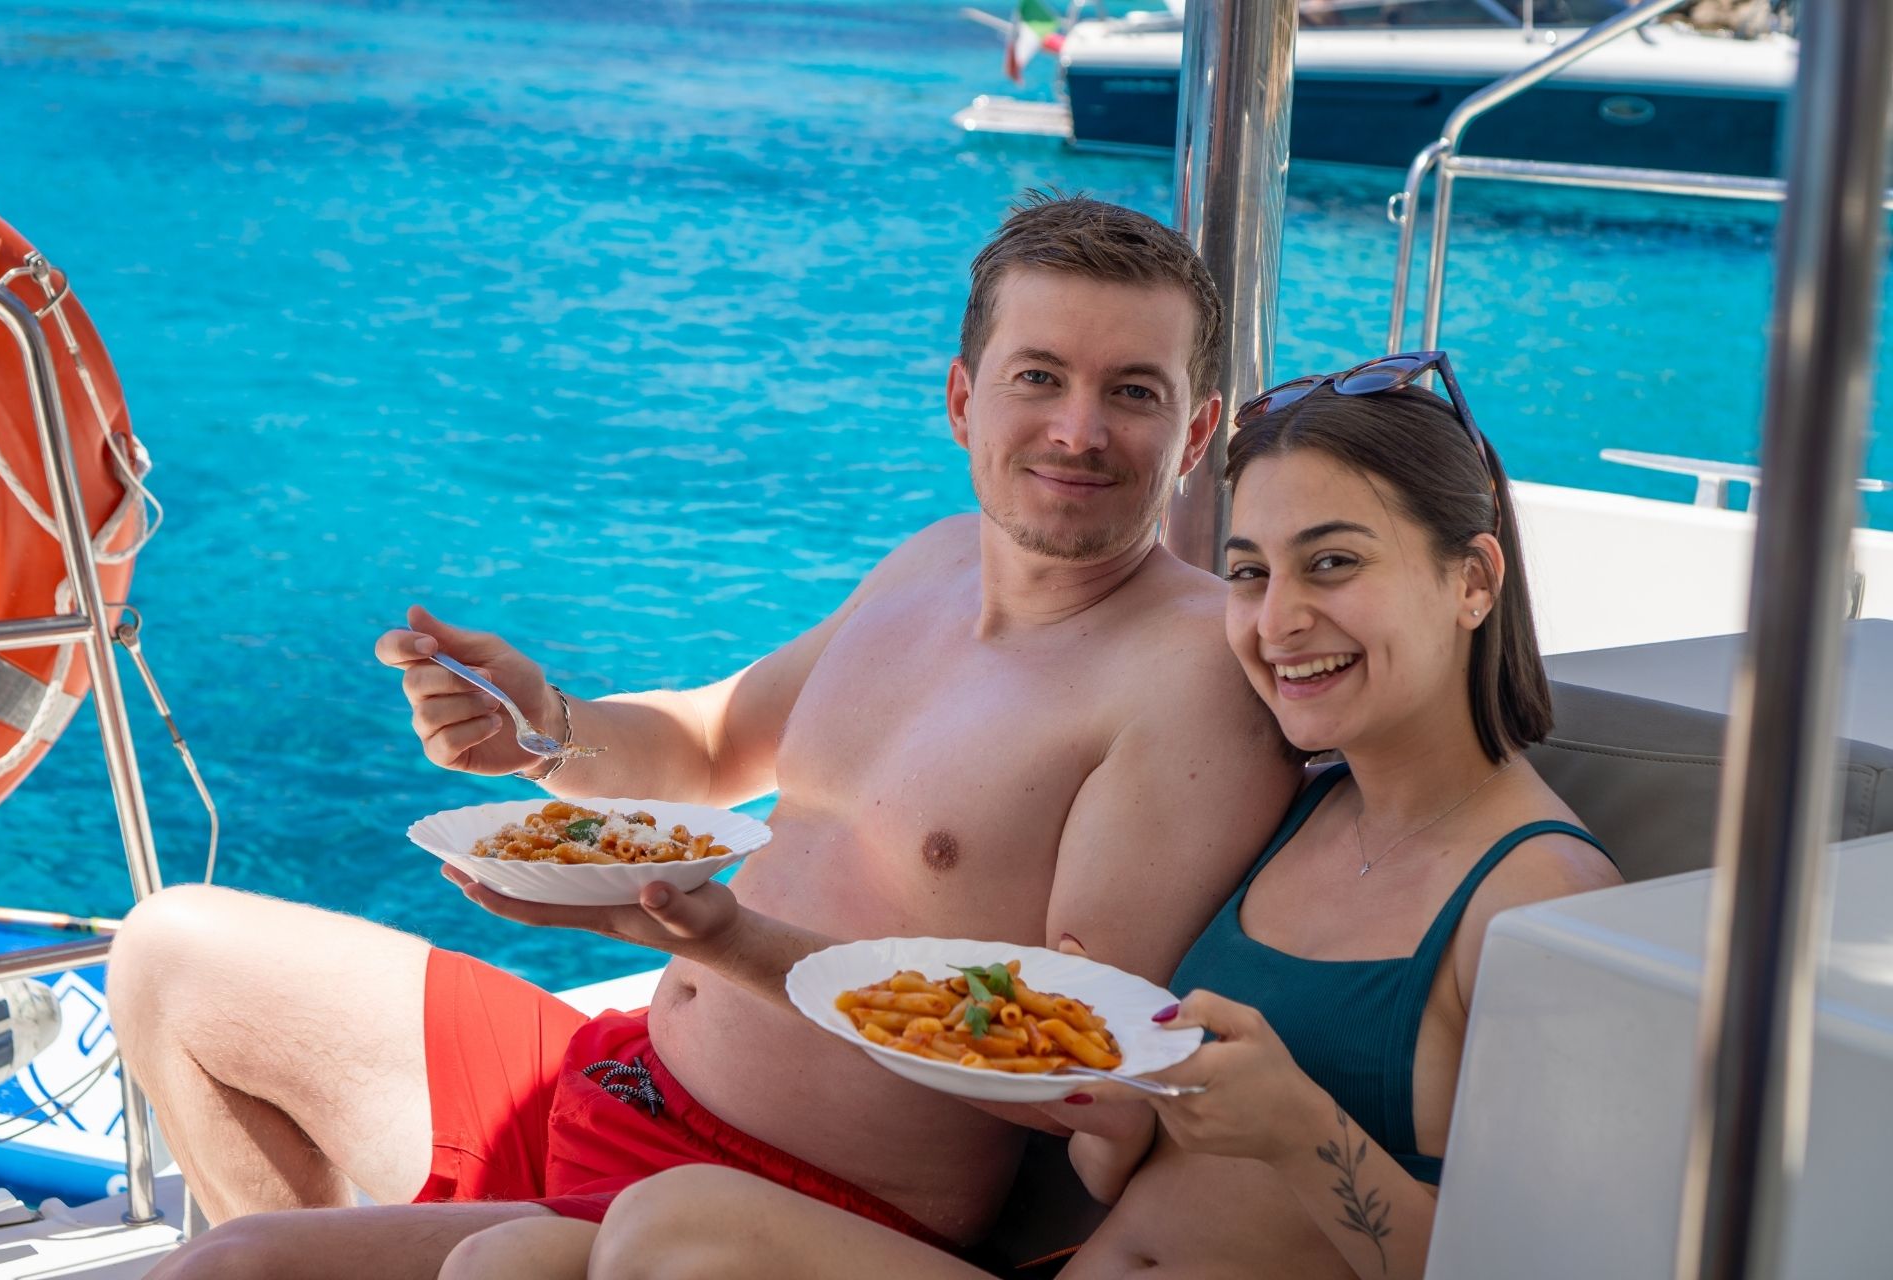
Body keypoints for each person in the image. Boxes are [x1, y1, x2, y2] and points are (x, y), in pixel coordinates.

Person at [108, 193, 1297, 1279]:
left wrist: (717, 938)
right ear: (961, 398)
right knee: (173, 956)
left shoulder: (1186, 681)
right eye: (1039, 376)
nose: (1077, 431)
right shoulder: (933, 561)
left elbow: (1082, 1071)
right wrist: (544, 729)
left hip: (774, 1203)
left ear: (1194, 433)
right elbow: (710, 741)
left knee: (240, 1266)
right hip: (613, 1075)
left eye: (1131, 392)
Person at [427, 351, 1624, 1280]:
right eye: (1253, 570)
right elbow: (1107, 1113)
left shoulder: (1541, 898)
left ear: (1471, 578)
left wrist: (1303, 1128)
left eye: (1334, 562)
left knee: (672, 1226)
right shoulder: (1306, 810)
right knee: (505, 1257)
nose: (1274, 618)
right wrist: (1117, 1120)